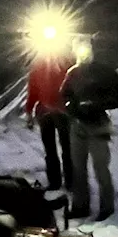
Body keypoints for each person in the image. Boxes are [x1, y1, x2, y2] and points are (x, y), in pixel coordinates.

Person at [60, 38, 118, 221]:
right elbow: (64, 96)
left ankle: (107, 207)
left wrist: (95, 105)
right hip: (78, 125)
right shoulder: (72, 73)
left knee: (100, 167)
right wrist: (72, 107)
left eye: (85, 48)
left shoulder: (105, 72)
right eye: (79, 49)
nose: (82, 52)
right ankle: (81, 206)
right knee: (78, 169)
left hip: (98, 125)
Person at [24, 50, 75, 191]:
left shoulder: (62, 66)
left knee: (62, 148)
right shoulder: (61, 66)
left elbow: (32, 93)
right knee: (59, 149)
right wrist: (29, 112)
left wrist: (29, 112)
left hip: (54, 112)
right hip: (53, 112)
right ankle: (63, 182)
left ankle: (62, 182)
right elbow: (32, 92)